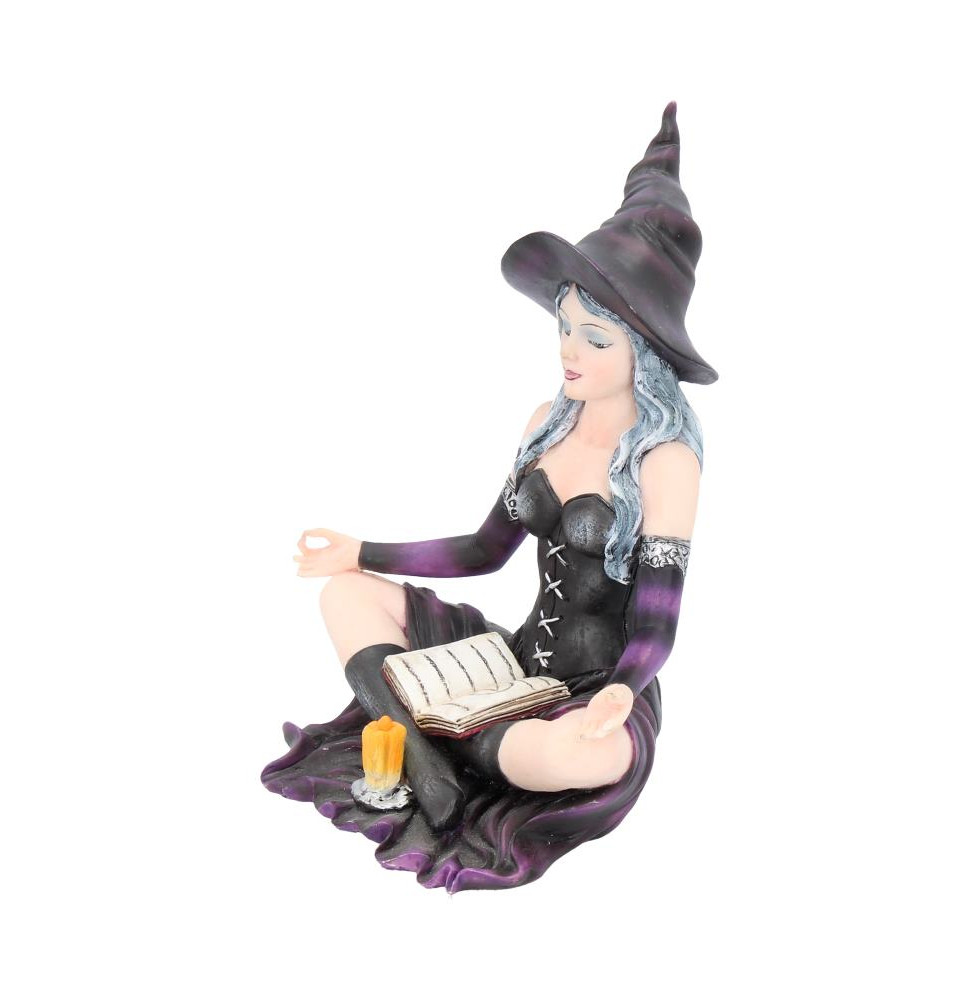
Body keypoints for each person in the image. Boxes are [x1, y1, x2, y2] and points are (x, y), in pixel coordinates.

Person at [262, 101, 718, 892]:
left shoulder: (667, 461)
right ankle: (427, 750)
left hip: (593, 694)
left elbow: (656, 620)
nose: (570, 351)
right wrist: (361, 551)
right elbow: (482, 550)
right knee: (345, 594)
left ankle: (435, 737)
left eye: (595, 338)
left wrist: (621, 690)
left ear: (644, 353)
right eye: (564, 328)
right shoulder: (547, 424)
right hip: (511, 660)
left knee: (583, 758)